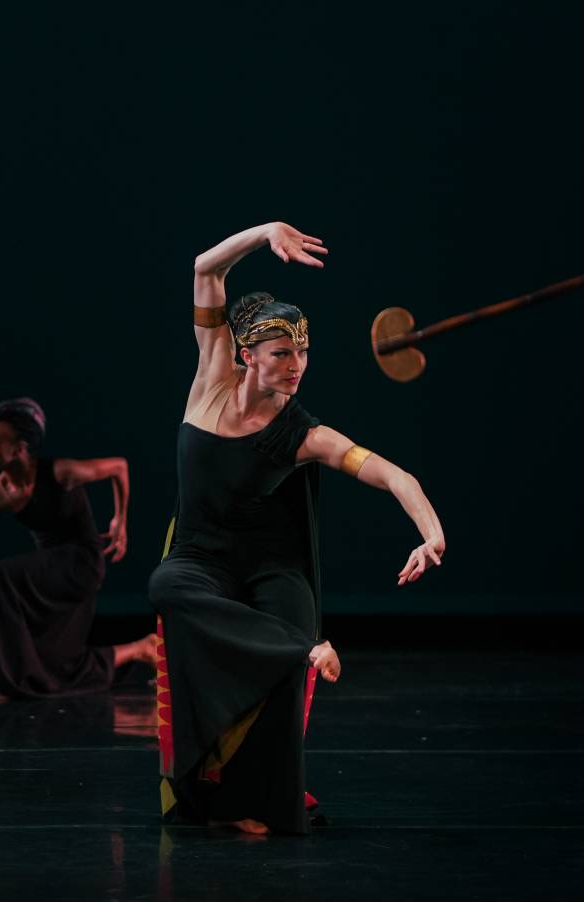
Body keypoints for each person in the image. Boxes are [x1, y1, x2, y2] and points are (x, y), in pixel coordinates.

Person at [148, 222, 446, 834]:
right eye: (282, 353)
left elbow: (395, 476)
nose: (297, 365)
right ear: (246, 354)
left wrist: (431, 533)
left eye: (303, 352)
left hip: (267, 567)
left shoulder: (305, 434)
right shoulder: (208, 382)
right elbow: (206, 268)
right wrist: (264, 233)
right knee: (164, 587)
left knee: (292, 621)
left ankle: (260, 799)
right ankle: (304, 653)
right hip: (201, 560)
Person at [0, 398, 158, 705]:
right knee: (53, 666)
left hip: (81, 562)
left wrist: (121, 521)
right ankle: (142, 648)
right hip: (50, 574)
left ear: (19, 447)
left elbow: (119, 467)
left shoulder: (61, 472)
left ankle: (3, 685)